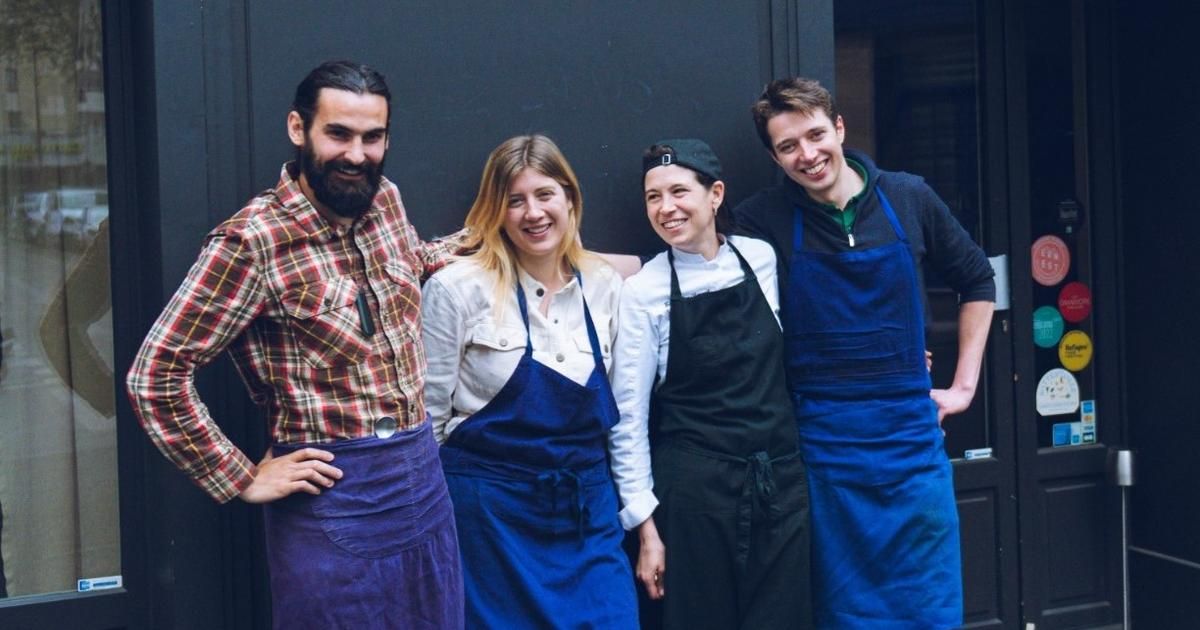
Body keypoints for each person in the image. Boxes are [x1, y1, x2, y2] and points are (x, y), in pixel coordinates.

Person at [125, 60, 463, 629]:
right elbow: (155, 375)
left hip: (423, 481)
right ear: (297, 128)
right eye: (339, 134)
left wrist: (490, 242)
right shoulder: (252, 241)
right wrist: (241, 475)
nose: (357, 155)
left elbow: (411, 262)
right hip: (333, 497)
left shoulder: (384, 201)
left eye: (372, 137)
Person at [734, 77, 996, 629]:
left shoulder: (908, 197)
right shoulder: (763, 221)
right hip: (825, 450)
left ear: (839, 128)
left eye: (814, 135)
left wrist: (964, 385)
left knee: (928, 606)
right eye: (787, 146)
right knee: (842, 611)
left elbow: (977, 280)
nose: (807, 155)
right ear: (775, 157)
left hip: (911, 445)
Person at [421, 134, 638, 628]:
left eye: (544, 195)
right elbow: (427, 422)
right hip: (489, 520)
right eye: (514, 201)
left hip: (586, 513)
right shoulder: (457, 289)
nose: (532, 213)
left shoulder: (605, 284)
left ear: (570, 198)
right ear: (495, 211)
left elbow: (622, 415)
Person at [610, 139, 812, 629]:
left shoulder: (761, 259)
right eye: (653, 196)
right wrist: (646, 530)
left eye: (679, 191)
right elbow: (627, 420)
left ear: (715, 194)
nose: (665, 207)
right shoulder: (644, 292)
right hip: (695, 498)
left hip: (781, 488)